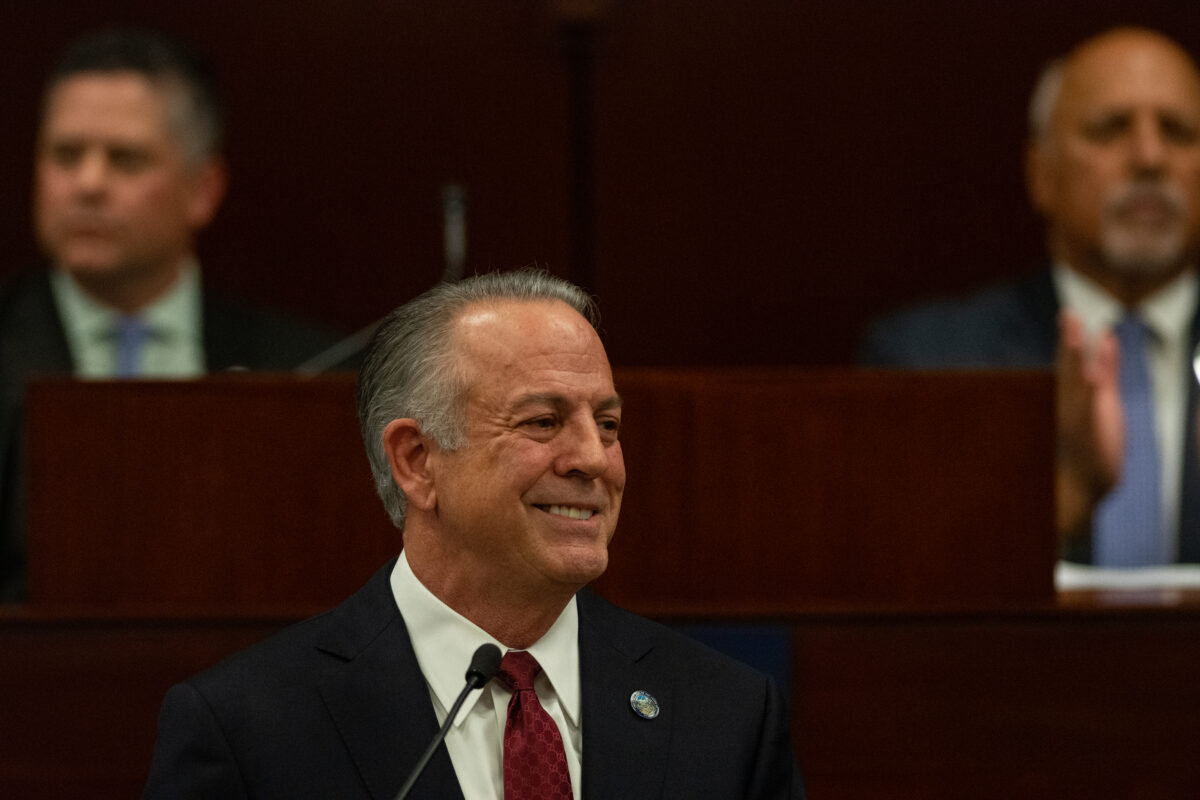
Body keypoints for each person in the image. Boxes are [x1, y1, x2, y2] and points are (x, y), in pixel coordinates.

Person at [141, 269, 806, 798]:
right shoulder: (249, 729)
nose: (595, 460)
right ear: (417, 461)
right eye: (543, 422)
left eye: (606, 423)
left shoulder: (726, 716)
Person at [0, 27, 341, 601]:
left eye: (124, 159)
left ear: (202, 188)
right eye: (65, 155)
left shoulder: (311, 372)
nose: (88, 184)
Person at [862, 27, 1200, 566]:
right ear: (1041, 172)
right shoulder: (929, 361)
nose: (1150, 156)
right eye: (1110, 129)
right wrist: (1062, 499)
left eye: (1179, 132)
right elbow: (895, 582)